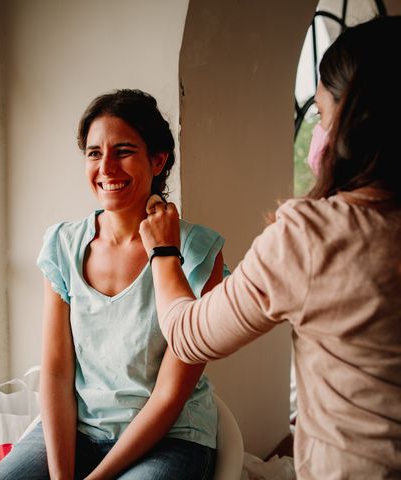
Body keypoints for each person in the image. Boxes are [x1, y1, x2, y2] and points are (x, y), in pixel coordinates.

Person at [139, 16, 401, 479]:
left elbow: (186, 334)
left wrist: (164, 253)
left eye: (320, 114)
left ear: (355, 121)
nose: (316, 133)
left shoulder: (313, 237)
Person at [0, 90, 225, 479]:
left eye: (124, 151)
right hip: (82, 430)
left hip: (171, 437)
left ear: (158, 160)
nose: (107, 167)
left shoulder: (200, 252)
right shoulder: (63, 245)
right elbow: (58, 372)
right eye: (95, 153)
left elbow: (169, 395)